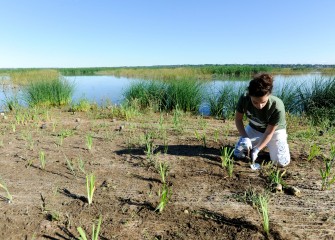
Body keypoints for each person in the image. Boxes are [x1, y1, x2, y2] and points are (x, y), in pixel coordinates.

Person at [233, 73, 290, 167]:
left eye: (263, 102)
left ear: (269, 95)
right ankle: (258, 144)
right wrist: (245, 137)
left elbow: (269, 133)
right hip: (254, 128)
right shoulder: (244, 99)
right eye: (255, 102)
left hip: (275, 132)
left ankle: (278, 143)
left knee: (281, 162)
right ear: (249, 95)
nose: (259, 106)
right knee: (238, 154)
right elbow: (238, 120)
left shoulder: (277, 106)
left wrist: (257, 149)